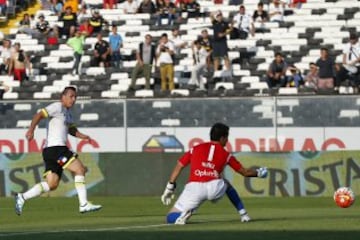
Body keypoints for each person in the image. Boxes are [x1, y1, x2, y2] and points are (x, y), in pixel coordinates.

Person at [15, 86, 102, 215]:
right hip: (57, 149)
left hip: (50, 151)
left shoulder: (68, 113)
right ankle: (83, 204)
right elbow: (39, 114)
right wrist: (31, 130)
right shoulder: (57, 106)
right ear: (63, 96)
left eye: (75, 97)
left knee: (52, 184)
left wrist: (83, 136)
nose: (73, 99)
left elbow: (72, 130)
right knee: (80, 169)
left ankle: (22, 197)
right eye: (71, 96)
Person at [161, 122, 268, 224]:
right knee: (226, 184)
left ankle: (183, 214)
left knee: (171, 217)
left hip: (194, 188)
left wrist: (170, 187)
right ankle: (244, 215)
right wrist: (258, 173)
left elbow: (180, 165)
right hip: (214, 187)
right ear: (222, 138)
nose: (227, 141)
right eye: (227, 138)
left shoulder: (195, 149)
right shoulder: (227, 155)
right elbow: (245, 172)